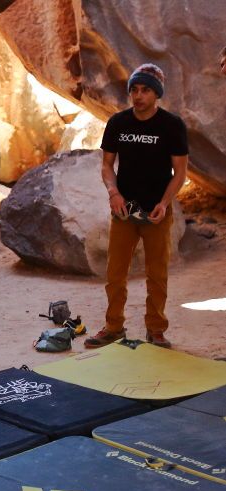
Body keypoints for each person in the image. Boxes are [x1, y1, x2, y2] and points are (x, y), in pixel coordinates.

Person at [85, 63, 188, 350]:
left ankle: (156, 330)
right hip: (124, 211)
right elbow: (107, 165)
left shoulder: (171, 125)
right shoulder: (118, 123)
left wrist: (165, 204)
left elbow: (180, 172)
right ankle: (113, 327)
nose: (138, 95)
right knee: (115, 274)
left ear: (157, 94)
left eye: (145, 90)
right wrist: (113, 192)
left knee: (157, 274)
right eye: (134, 89)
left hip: (157, 211)